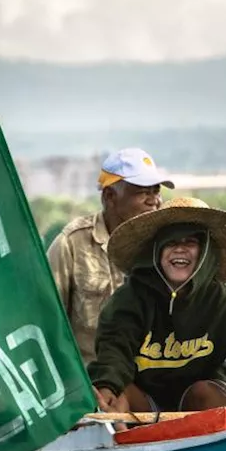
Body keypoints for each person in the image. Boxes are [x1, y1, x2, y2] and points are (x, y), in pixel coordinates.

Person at [88, 197, 226, 417]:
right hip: (146, 404)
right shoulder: (129, 299)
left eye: (190, 242)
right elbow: (114, 353)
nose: (180, 249)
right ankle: (123, 434)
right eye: (171, 243)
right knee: (118, 393)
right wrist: (107, 388)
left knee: (203, 392)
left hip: (204, 399)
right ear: (157, 251)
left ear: (205, 252)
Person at [46, 148, 173, 364]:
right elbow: (49, 322)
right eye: (143, 192)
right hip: (91, 380)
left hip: (152, 380)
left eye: (156, 191)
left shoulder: (168, 246)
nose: (154, 201)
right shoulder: (72, 243)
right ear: (110, 196)